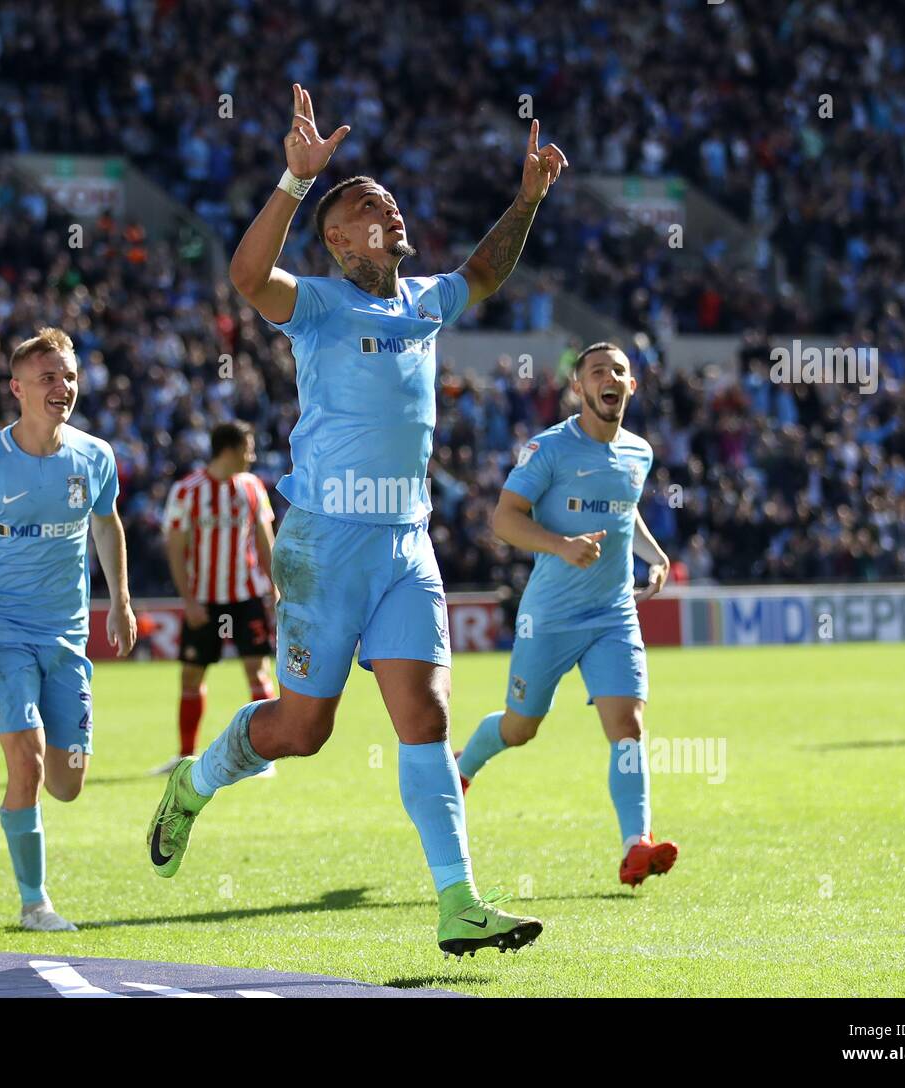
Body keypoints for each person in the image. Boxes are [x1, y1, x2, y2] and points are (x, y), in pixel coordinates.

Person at [146, 84, 567, 957]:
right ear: (339, 241)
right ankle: (197, 781)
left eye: (390, 202)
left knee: (428, 718)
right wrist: (295, 183)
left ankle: (458, 902)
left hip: (406, 545)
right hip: (326, 544)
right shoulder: (321, 306)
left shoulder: (423, 302)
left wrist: (525, 199)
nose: (392, 211)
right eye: (372, 207)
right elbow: (247, 278)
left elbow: (485, 271)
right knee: (303, 731)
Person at [0, 327, 136, 931]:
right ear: (17, 389)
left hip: (65, 636)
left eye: (69, 375)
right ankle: (34, 903)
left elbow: (109, 525)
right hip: (1, 632)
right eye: (49, 377)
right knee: (29, 765)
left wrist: (120, 599)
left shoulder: (94, 456)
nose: (63, 387)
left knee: (68, 784)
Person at [456, 342, 679, 887]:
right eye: (597, 371)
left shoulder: (638, 452)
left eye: (619, 371)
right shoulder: (549, 449)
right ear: (577, 388)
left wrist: (654, 556)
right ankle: (460, 767)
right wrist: (560, 545)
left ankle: (636, 846)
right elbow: (504, 520)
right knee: (520, 728)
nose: (610, 377)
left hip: (613, 615)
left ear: (631, 386)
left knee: (628, 727)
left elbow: (625, 514)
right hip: (549, 617)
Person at [153, 420, 278, 777]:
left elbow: (264, 541)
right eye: (249, 448)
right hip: (204, 600)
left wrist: (274, 586)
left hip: (246, 595)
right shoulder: (187, 491)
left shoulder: (253, 487)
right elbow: (175, 549)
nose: (252, 456)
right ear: (231, 449)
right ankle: (186, 756)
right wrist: (188, 599)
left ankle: (263, 758)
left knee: (257, 670)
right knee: (191, 675)